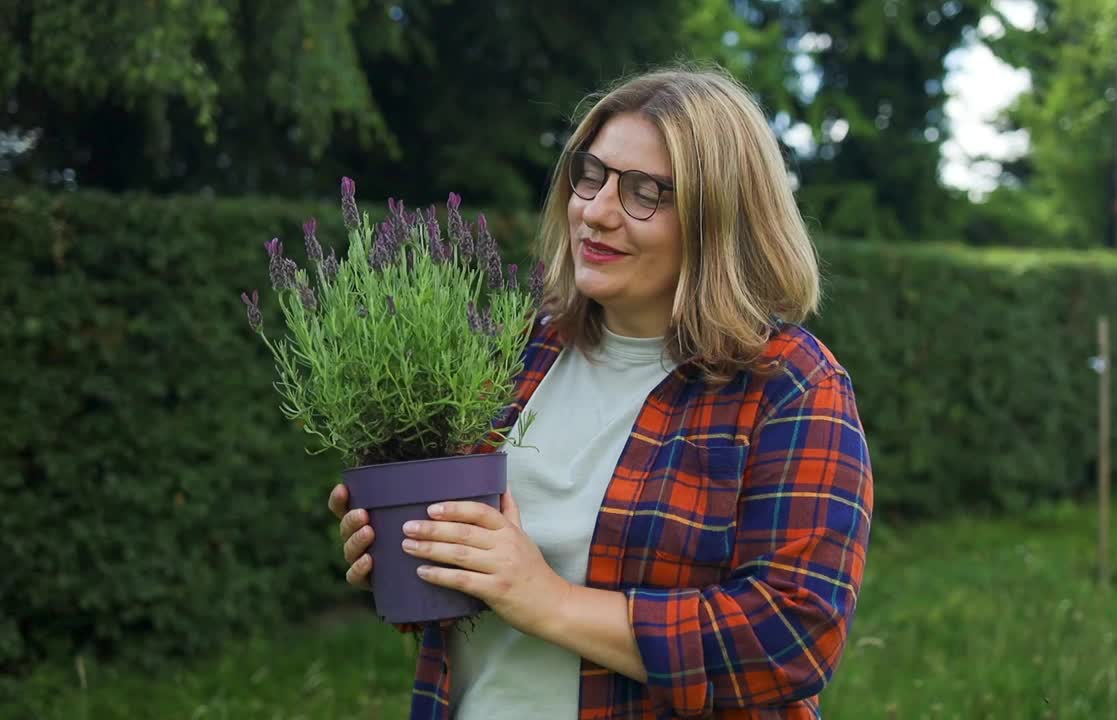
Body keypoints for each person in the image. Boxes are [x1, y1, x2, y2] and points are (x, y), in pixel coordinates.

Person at [327, 64, 873, 720]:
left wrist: (549, 601)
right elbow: (471, 587)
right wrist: (403, 555)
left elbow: (792, 639)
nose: (596, 211)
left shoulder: (790, 386)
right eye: (591, 175)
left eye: (646, 192)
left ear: (718, 219)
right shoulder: (515, 352)